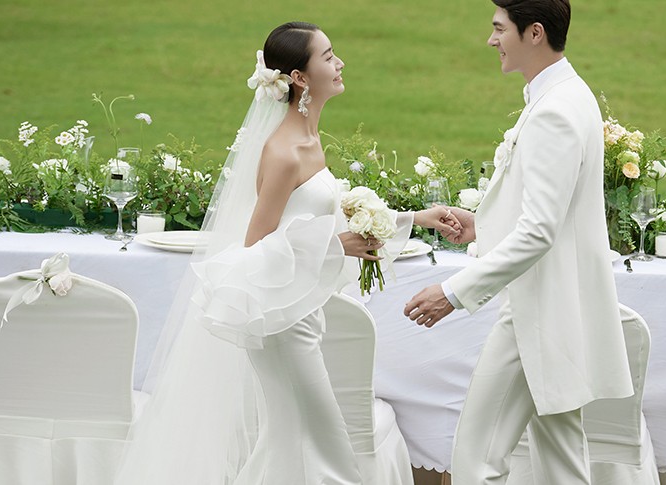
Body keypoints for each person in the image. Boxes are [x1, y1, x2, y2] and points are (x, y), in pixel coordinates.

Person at [115, 21, 459, 485]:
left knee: (285, 445)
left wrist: (416, 218)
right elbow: (255, 249)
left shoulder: (311, 140)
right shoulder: (284, 152)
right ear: (299, 77)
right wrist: (338, 247)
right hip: (283, 326)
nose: (340, 63)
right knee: (328, 450)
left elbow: (319, 219)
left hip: (301, 312)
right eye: (328, 57)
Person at [402, 1, 633, 483]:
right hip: (556, 309)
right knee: (561, 461)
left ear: (535, 33)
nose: (491, 40)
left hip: (537, 314)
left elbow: (540, 230)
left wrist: (452, 292)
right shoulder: (569, 93)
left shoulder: (555, 111)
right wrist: (483, 226)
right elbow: (554, 217)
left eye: (499, 29)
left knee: (476, 459)